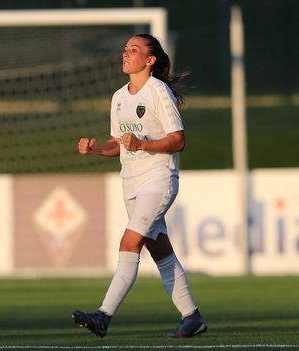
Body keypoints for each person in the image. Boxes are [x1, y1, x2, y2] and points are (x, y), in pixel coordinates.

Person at [72, 33, 207, 338]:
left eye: (134, 49)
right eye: (125, 49)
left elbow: (178, 141)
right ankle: (192, 317)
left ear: (150, 60)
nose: (126, 53)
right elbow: (120, 145)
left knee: (129, 243)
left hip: (158, 181)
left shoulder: (158, 92)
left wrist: (144, 145)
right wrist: (95, 148)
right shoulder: (118, 97)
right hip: (130, 184)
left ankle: (104, 315)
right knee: (161, 252)